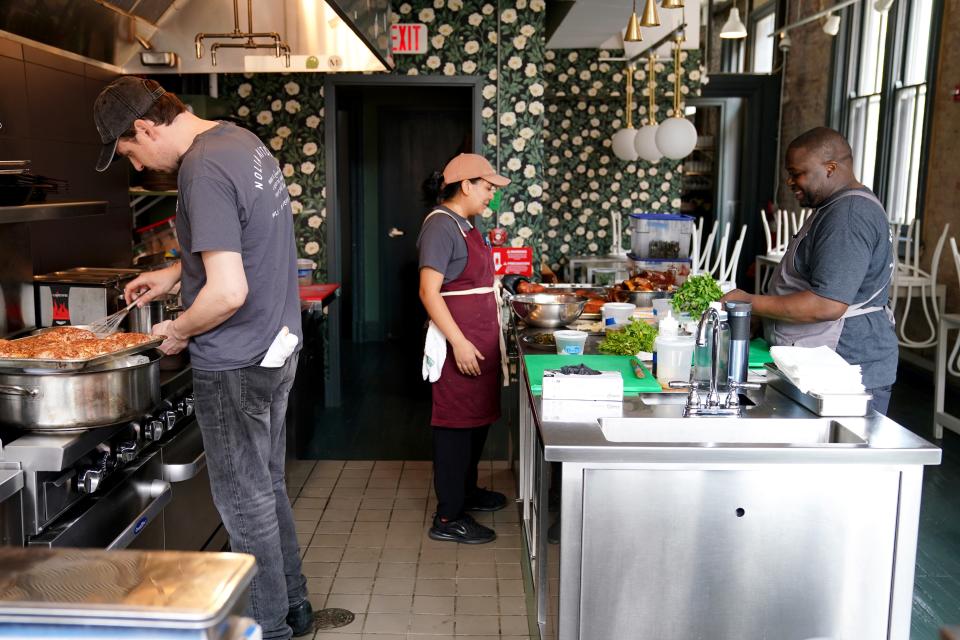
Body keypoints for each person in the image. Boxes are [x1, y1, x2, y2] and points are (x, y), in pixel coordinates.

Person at [93, 77, 312, 639]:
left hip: (236, 359)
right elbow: (243, 244)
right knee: (265, 487)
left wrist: (177, 329)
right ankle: (294, 606)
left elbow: (227, 292)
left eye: (131, 152)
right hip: (275, 347)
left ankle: (269, 629)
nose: (139, 167)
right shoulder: (239, 141)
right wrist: (171, 276)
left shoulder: (201, 169)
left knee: (243, 502)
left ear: (144, 127)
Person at [722, 126, 898, 415]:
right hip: (823, 365)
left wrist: (748, 302)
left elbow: (826, 304)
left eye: (797, 173)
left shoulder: (848, 217)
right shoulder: (832, 206)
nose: (790, 181)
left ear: (830, 168)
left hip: (844, 367)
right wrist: (763, 317)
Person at [418, 153, 511, 544]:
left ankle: (467, 492)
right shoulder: (441, 226)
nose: (491, 195)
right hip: (462, 344)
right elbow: (428, 291)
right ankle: (448, 516)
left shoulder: (465, 225)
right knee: (456, 428)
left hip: (480, 342)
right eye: (487, 187)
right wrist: (459, 342)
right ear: (466, 184)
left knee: (475, 423)